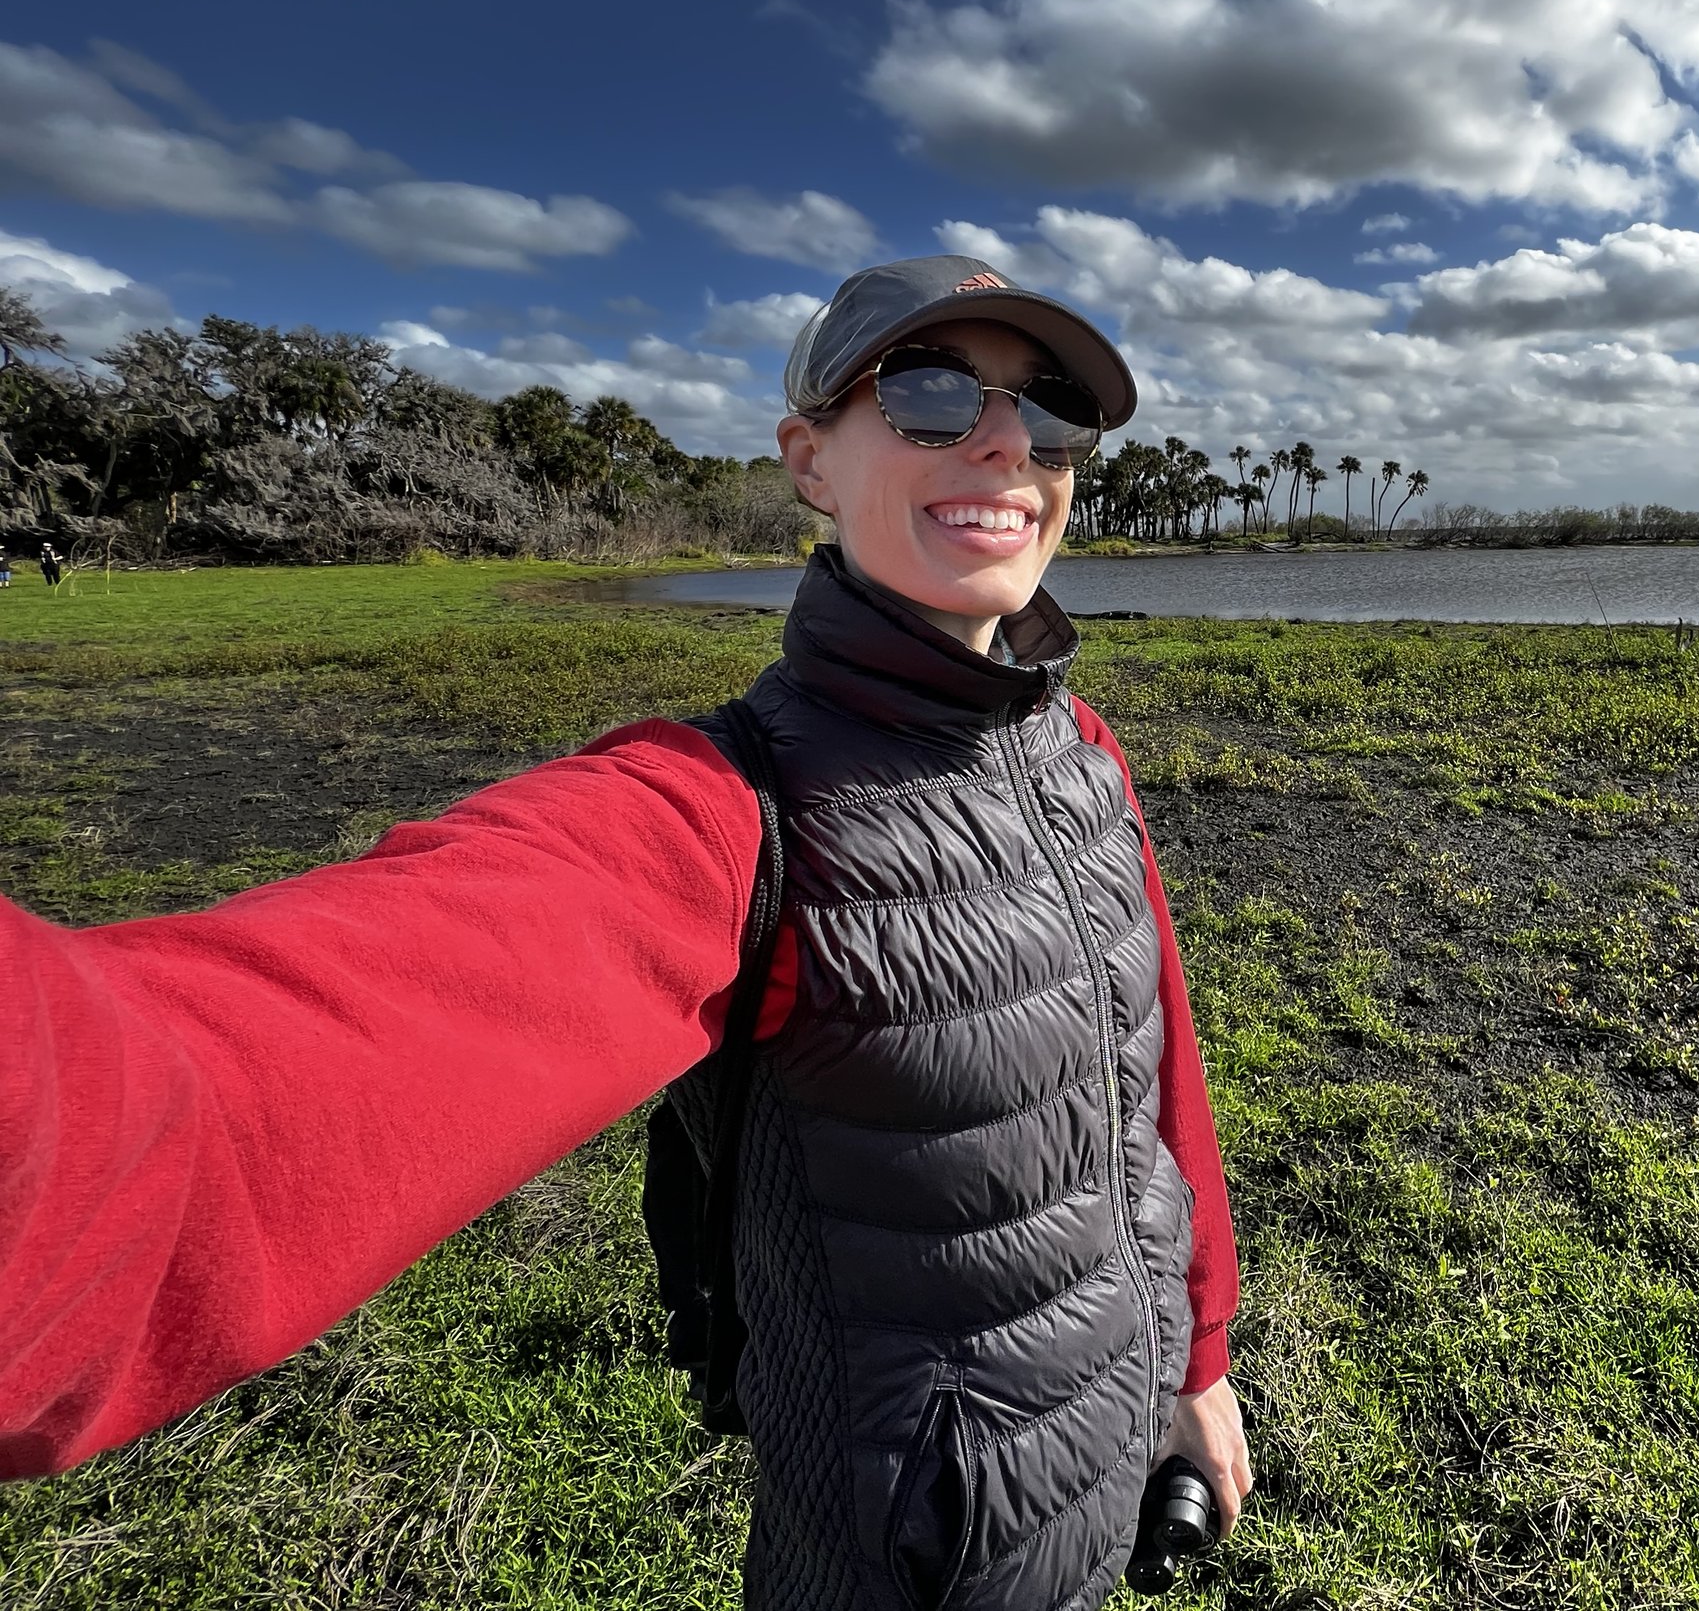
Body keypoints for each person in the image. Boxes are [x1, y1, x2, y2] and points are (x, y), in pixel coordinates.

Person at [0, 256, 1251, 1611]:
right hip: (915, 1557)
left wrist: (1198, 1360)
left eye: (1050, 408)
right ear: (810, 461)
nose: (1007, 439)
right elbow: (190, 1120)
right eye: (933, 393)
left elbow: (1150, 1073)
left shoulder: (1075, 748)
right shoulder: (727, 811)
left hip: (1107, 1471)